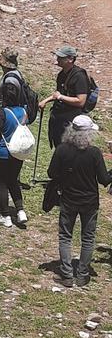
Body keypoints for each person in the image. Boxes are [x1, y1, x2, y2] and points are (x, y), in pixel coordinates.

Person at [48, 115, 112, 287]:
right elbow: (104, 180)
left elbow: (51, 173)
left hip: (68, 199)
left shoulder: (62, 150)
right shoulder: (94, 153)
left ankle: (67, 275)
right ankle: (83, 275)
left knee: (65, 236)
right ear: (89, 133)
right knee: (88, 238)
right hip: (89, 202)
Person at [0, 79, 28, 228]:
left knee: (1, 183)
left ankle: (5, 216)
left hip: (1, 153)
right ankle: (20, 211)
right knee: (13, 181)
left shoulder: (3, 113)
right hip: (17, 153)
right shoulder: (23, 112)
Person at [40, 45, 90, 148]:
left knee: (68, 147)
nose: (58, 59)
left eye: (61, 57)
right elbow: (58, 93)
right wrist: (45, 100)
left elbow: (81, 101)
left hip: (71, 121)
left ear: (70, 59)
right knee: (58, 146)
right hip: (59, 118)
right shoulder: (61, 75)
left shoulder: (79, 76)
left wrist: (60, 97)